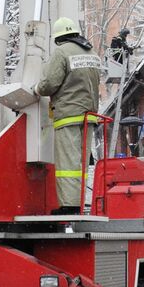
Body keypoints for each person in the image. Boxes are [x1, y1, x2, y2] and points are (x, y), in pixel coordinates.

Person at [33, 16, 102, 215]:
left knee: (67, 163)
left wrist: (36, 89)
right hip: (89, 117)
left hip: (69, 115)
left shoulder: (62, 52)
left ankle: (69, 206)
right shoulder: (92, 53)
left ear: (58, 38)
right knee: (81, 163)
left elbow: (49, 84)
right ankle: (80, 203)